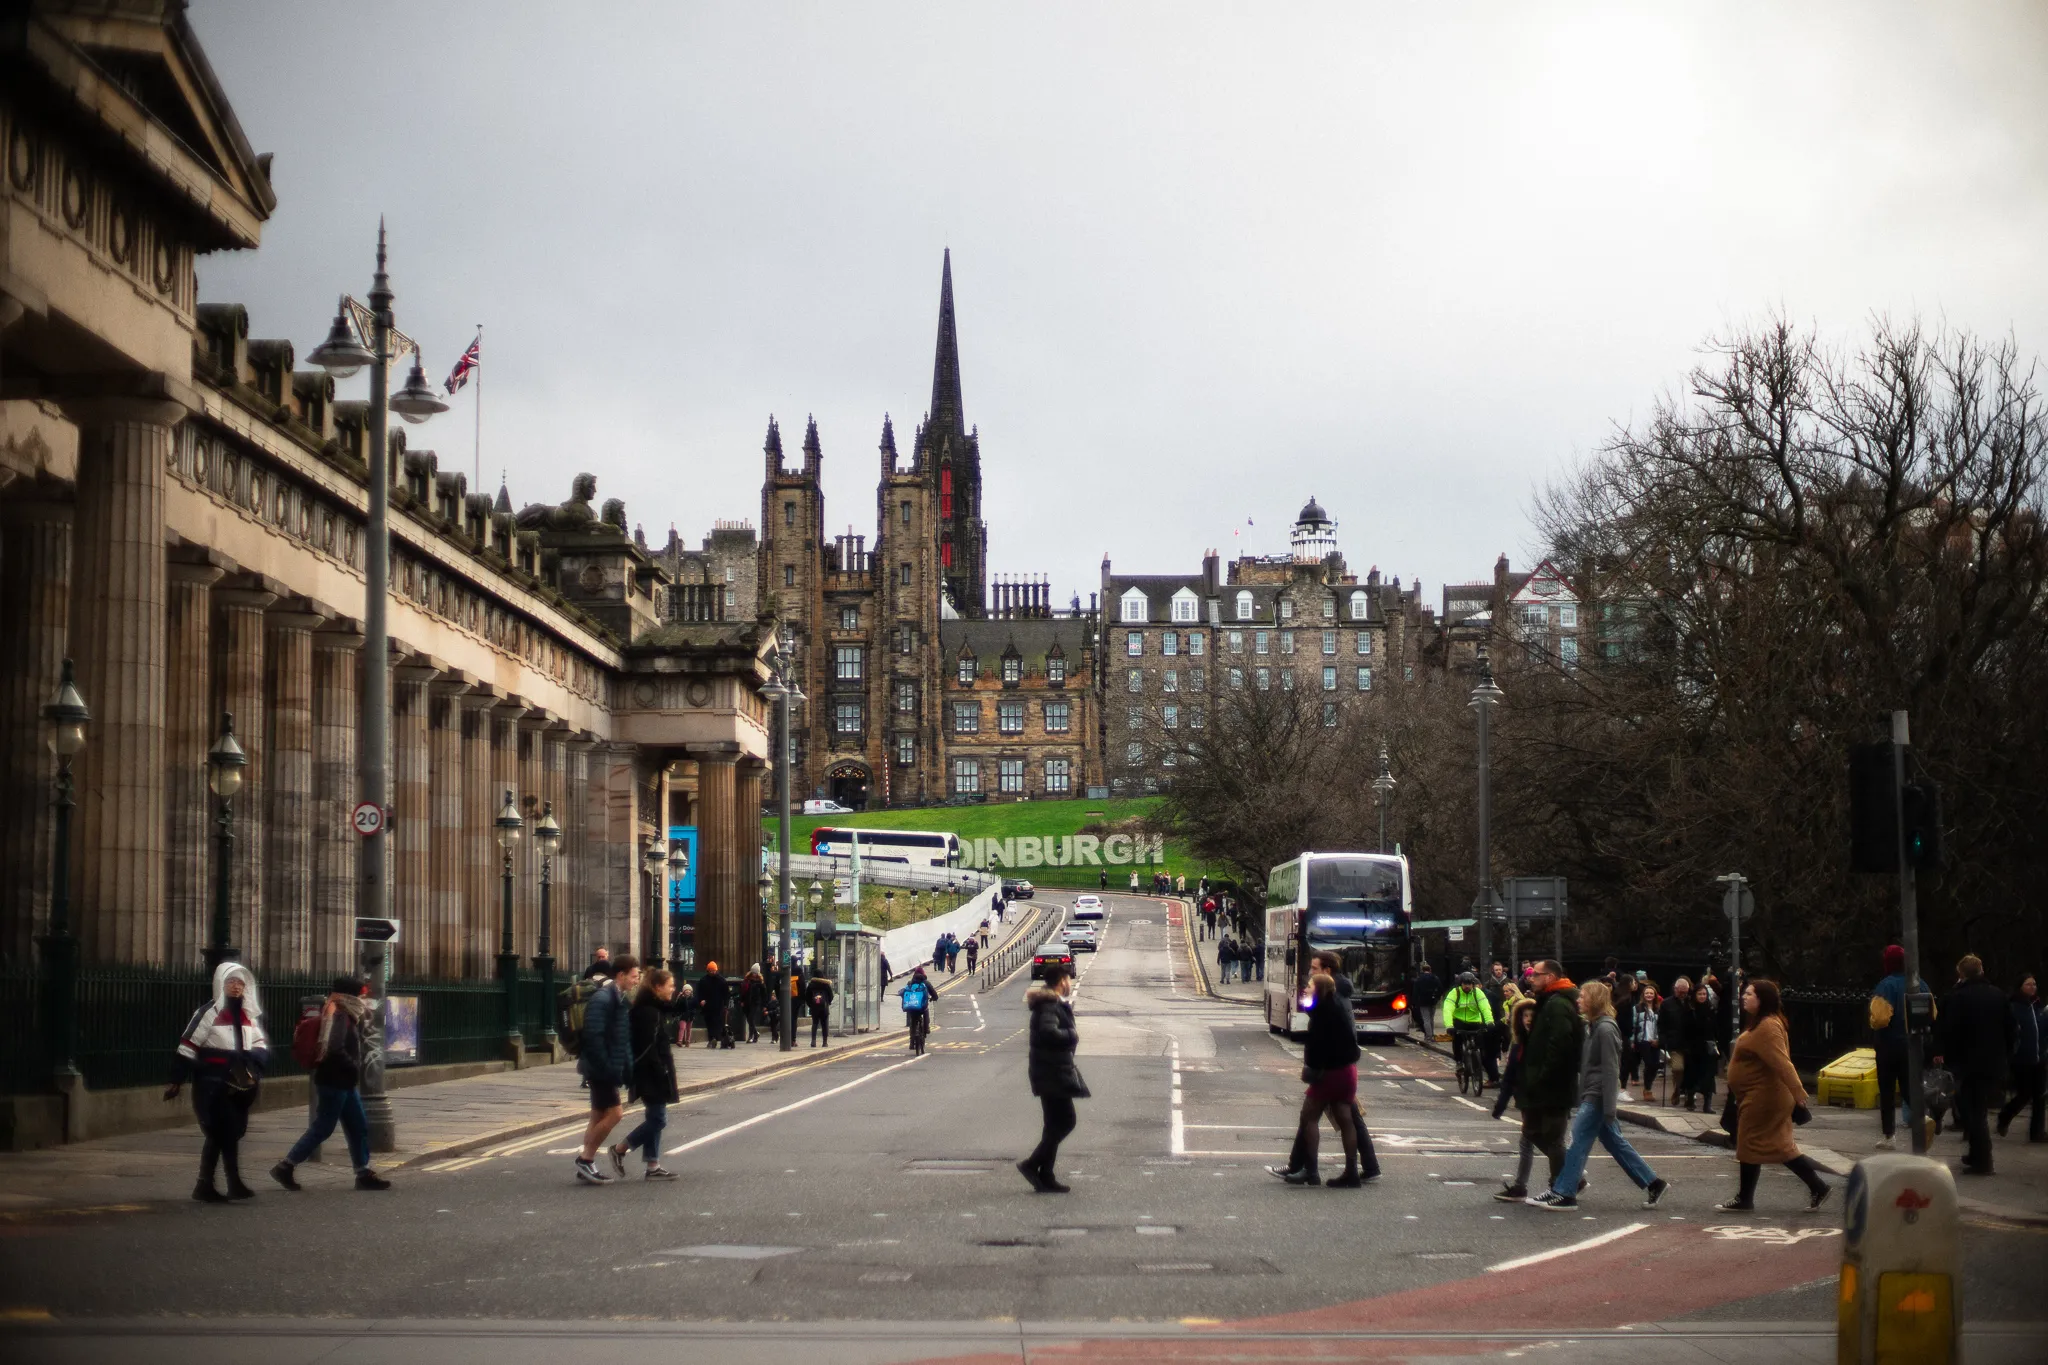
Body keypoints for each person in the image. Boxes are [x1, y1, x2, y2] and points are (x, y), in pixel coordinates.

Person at [1529, 980, 1667, 1210]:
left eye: (1583, 996)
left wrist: (1609, 1107)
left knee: (1577, 1142)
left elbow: (1611, 1070)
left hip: (1598, 1096)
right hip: (1592, 1093)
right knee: (1615, 1143)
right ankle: (1654, 1183)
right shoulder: (1593, 1026)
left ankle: (1565, 1192)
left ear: (1595, 1000)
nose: (1578, 1000)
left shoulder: (1605, 1029)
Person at [271, 975, 392, 1193]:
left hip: (343, 1082)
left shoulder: (342, 1012)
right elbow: (335, 1048)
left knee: (358, 1126)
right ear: (351, 996)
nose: (363, 999)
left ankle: (363, 1173)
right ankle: (285, 1166)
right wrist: (353, 1066)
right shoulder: (340, 1015)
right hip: (334, 1081)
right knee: (323, 1128)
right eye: (361, 995)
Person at [1718, 979, 1830, 1211]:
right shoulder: (1762, 1023)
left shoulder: (1768, 1026)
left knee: (1752, 1142)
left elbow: (1782, 1062)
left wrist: (1798, 1091)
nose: (1744, 997)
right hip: (1759, 1094)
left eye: (1749, 994)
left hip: (1764, 1097)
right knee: (1776, 1145)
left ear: (1762, 999)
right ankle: (1816, 1187)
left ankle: (1746, 1198)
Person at [1273, 952, 1380, 1184]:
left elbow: (1319, 1045)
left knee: (1309, 1117)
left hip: (1330, 1072)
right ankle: (1354, 1171)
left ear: (1326, 974)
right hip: (1345, 1069)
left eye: (1312, 973)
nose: (1307, 982)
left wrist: (1312, 1069)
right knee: (1347, 1118)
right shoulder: (1336, 999)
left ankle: (1309, 1171)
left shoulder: (1327, 1007)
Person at [167, 962, 269, 1203]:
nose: (236, 987)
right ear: (220, 984)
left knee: (230, 1132)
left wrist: (254, 1065)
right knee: (221, 1131)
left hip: (239, 1083)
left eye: (240, 983)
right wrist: (176, 1079)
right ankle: (221, 1183)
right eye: (231, 981)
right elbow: (188, 1045)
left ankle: (215, 1183)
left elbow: (259, 1044)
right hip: (213, 1082)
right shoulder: (208, 1013)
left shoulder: (248, 1015)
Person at [1935, 954, 2016, 1175]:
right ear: (1981, 970)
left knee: (1973, 1111)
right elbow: (2011, 1029)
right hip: (1993, 1061)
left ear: (1961, 974)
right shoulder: (1998, 995)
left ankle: (1983, 1160)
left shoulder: (1957, 997)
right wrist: (2005, 1055)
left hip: (1968, 1063)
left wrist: (1947, 1056)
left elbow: (1949, 1030)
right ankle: (1976, 1154)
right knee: (1977, 1107)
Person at [1017, 961, 1088, 1192]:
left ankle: (1046, 1175)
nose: (1070, 984)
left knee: (1053, 1125)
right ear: (1061, 982)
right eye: (1068, 980)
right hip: (1052, 1072)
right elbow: (1049, 1032)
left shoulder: (1050, 1003)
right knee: (1067, 1121)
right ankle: (1032, 1164)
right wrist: (1071, 1034)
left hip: (1049, 1070)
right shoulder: (1050, 1005)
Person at [1516, 959, 1583, 1202]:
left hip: (1555, 1084)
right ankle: (1571, 1179)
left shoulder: (1558, 1004)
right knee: (1532, 1131)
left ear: (1551, 977)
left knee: (1553, 1137)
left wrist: (1544, 1075)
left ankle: (1560, 1188)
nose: (1531, 978)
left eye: (1536, 974)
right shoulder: (1549, 1000)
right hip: (1542, 1083)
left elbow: (1560, 1045)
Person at [608, 968, 680, 1180]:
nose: (673, 989)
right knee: (658, 1119)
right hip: (650, 1073)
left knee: (654, 1116)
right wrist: (661, 1072)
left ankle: (653, 1165)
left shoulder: (652, 1009)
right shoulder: (649, 1012)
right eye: (670, 985)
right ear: (657, 987)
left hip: (650, 1071)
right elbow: (648, 1048)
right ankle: (620, 1149)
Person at [574, 954, 639, 1183]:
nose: (636, 981)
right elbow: (593, 1036)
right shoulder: (603, 998)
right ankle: (585, 1159)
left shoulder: (618, 998)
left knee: (598, 1115)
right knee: (615, 1114)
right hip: (600, 1069)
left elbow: (622, 1038)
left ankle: (586, 1162)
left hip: (606, 1067)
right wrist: (608, 1068)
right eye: (634, 976)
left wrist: (628, 1069)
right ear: (621, 975)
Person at [1492, 998, 1542, 1197]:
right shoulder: (1518, 1045)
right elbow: (1509, 1077)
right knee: (1535, 1141)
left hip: (1540, 1100)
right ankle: (1521, 1186)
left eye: (1532, 1016)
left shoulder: (1542, 1042)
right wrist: (1501, 1105)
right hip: (1526, 1101)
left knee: (1540, 1142)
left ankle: (1521, 1186)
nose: (1528, 1019)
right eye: (1524, 1016)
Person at [1868, 945, 1911, 1149]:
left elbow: (1880, 1019)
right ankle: (1923, 1119)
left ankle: (1889, 1135)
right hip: (1912, 1045)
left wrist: (1871, 1021)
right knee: (1910, 1087)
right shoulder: (1918, 982)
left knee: (1887, 1090)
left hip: (1888, 1045)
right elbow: (1932, 1012)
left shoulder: (1886, 985)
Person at [1998, 974, 2046, 1143]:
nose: (2032, 987)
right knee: (2024, 1094)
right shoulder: (2014, 1007)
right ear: (2020, 986)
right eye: (2028, 984)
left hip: (2039, 1057)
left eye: (2034, 984)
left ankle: (2037, 1132)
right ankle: (2005, 1115)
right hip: (2021, 1058)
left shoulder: (2037, 1006)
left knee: (2040, 1096)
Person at [1441, 970, 1498, 1088]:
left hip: (1475, 1022)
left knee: (1480, 1045)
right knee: (1457, 1040)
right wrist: (1449, 1025)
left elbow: (1485, 1007)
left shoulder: (1478, 993)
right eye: (1464, 984)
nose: (1467, 986)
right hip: (1459, 1021)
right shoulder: (1455, 993)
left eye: (1469, 984)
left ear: (1473, 984)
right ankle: (1459, 1062)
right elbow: (1448, 1009)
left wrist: (1489, 1021)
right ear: (1461, 984)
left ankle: (1477, 1062)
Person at [1686, 975, 1721, 1112]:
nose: (1702, 996)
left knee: (1709, 1076)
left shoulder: (1710, 1009)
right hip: (1694, 1048)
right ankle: (1690, 1098)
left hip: (1708, 1047)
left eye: (1704, 994)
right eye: (1700, 994)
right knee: (1693, 1076)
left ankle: (1707, 1104)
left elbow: (1715, 1028)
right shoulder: (1690, 1010)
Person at [1659, 978, 1695, 1109]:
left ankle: (1688, 1095)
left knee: (1690, 1070)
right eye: (1681, 992)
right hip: (1674, 1042)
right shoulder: (1666, 1004)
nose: (1683, 995)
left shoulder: (1691, 1002)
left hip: (1690, 1042)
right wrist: (1663, 1039)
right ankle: (1678, 1089)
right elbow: (1661, 1024)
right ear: (1675, 990)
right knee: (1678, 1068)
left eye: (1685, 992)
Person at [1632, 982, 1663, 1103]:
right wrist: (1632, 1040)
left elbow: (1661, 1026)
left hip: (1655, 1040)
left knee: (1655, 1065)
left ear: (1655, 995)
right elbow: (1633, 1025)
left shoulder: (1658, 1009)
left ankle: (1648, 1087)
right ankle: (1647, 1089)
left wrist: (1659, 1039)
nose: (1649, 995)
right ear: (1643, 995)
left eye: (1651, 993)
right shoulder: (1637, 1008)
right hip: (1643, 1039)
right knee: (1649, 1064)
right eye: (1647, 993)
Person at [695, 962, 732, 1049]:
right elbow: (699, 992)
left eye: (714, 970)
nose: (712, 972)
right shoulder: (703, 980)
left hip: (718, 1006)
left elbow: (726, 994)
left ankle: (714, 1038)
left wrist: (726, 1005)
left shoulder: (721, 981)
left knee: (716, 1023)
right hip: (707, 1006)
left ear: (716, 970)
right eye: (711, 970)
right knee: (709, 1023)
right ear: (708, 970)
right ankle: (712, 1039)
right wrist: (701, 1000)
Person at [900, 967, 935, 1052]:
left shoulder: (910, 983)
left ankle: (912, 1042)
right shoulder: (926, 983)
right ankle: (926, 1029)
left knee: (913, 1021)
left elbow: (903, 992)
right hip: (922, 1007)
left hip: (912, 1007)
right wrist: (934, 998)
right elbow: (934, 993)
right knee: (926, 1012)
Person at [806, 973, 836, 1047]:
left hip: (814, 1008)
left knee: (815, 1024)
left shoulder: (811, 985)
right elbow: (831, 996)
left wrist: (811, 1005)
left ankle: (813, 1041)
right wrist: (827, 1003)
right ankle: (824, 1042)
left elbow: (807, 997)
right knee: (824, 1025)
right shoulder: (826, 985)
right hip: (824, 1008)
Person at [739, 966, 766, 1044]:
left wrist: (764, 1005)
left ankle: (751, 1036)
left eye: (755, 973)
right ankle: (756, 1034)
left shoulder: (760, 983)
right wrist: (742, 1001)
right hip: (746, 1002)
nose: (754, 974)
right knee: (749, 1019)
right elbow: (743, 991)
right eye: (753, 972)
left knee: (751, 1018)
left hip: (755, 1003)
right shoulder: (747, 980)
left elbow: (764, 995)